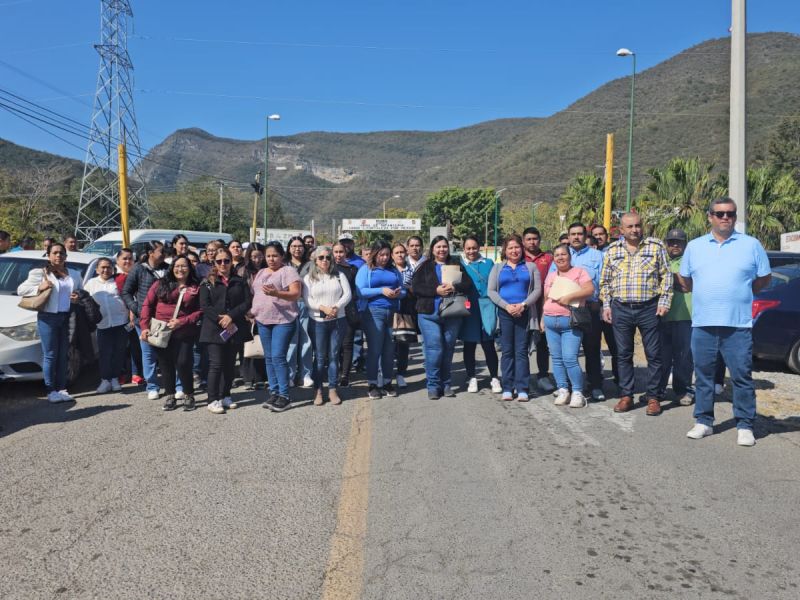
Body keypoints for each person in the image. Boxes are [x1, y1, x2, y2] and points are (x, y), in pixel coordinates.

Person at [680, 198, 771, 447]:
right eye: (719, 213)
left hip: (738, 325)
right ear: (710, 216)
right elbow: (685, 280)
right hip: (703, 324)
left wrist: (743, 291)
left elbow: (764, 278)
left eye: (730, 213)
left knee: (742, 376)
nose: (725, 218)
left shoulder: (751, 245)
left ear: (735, 216)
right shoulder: (695, 246)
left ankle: (745, 425)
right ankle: (704, 421)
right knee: (704, 376)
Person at [600, 212, 672, 415]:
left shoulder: (655, 246)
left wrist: (664, 301)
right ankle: (626, 395)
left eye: (637, 225)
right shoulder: (612, 250)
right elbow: (605, 281)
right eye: (629, 226)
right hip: (621, 308)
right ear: (621, 229)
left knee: (654, 354)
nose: (634, 230)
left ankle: (653, 397)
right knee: (623, 354)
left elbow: (666, 276)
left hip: (649, 308)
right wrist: (607, 306)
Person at [17, 243, 82, 403]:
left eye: (61, 253)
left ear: (66, 256)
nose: (58, 255)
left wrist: (77, 297)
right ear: (48, 255)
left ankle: (62, 389)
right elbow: (21, 290)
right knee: (51, 355)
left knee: (63, 354)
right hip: (48, 317)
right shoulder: (40, 272)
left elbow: (81, 291)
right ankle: (50, 390)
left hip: (66, 317)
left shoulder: (74, 274)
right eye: (55, 253)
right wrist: (40, 287)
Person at [412, 236, 473, 400]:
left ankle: (446, 384)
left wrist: (455, 286)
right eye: (438, 247)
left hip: (452, 313)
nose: (442, 249)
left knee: (448, 349)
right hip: (429, 314)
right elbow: (416, 288)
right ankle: (433, 385)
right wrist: (435, 290)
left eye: (444, 246)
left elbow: (468, 284)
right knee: (434, 349)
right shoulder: (424, 266)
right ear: (432, 249)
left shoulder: (456, 264)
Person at [552, 223, 607, 401]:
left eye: (579, 234)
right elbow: (552, 281)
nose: (576, 237)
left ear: (586, 235)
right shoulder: (561, 254)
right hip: (565, 309)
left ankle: (595, 385)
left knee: (592, 348)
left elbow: (605, 281)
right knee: (568, 352)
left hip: (589, 308)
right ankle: (566, 386)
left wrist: (601, 303)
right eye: (573, 234)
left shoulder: (597, 256)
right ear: (568, 236)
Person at [140, 257, 202, 411]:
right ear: (172, 268)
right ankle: (170, 396)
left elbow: (201, 310)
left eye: (184, 266)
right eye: (177, 266)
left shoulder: (196, 286)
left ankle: (189, 394)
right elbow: (147, 305)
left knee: (183, 363)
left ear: (190, 268)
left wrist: (183, 321)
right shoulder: (160, 283)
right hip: (161, 331)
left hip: (185, 331)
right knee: (165, 364)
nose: (180, 269)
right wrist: (144, 327)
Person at [488, 235, 542, 401]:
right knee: (507, 351)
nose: (514, 250)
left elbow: (537, 290)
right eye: (510, 248)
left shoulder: (531, 267)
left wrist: (523, 305)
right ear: (505, 250)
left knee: (521, 351)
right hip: (505, 313)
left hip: (524, 313)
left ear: (522, 249)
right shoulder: (497, 268)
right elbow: (491, 291)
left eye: (517, 247)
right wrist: (507, 306)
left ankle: (522, 388)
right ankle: (507, 387)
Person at [250, 241, 302, 413]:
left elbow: (295, 294)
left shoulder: (288, 271)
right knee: (269, 357)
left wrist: (276, 293)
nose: (271, 259)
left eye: (275, 256)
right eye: (268, 256)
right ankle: (274, 392)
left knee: (278, 357)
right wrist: (252, 311)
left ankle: (285, 396)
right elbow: (257, 294)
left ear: (282, 256)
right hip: (262, 320)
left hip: (283, 320)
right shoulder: (261, 272)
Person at [541, 244, 595, 408]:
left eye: (563, 254)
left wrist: (570, 297)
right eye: (557, 255)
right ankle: (563, 389)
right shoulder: (551, 275)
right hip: (550, 321)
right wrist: (542, 318)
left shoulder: (579, 272)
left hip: (570, 322)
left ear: (569, 256)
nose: (560, 257)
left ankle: (577, 392)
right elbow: (546, 297)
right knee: (556, 358)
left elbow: (589, 290)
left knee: (570, 358)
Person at [199, 247, 252, 415]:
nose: (223, 264)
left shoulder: (239, 281)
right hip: (214, 329)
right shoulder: (207, 282)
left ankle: (226, 395)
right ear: (214, 263)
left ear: (231, 262)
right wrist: (221, 320)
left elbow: (247, 302)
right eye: (219, 261)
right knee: (216, 364)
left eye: (226, 261)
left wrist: (231, 316)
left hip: (234, 327)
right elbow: (205, 306)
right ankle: (212, 399)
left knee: (229, 365)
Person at [357, 240, 406, 399]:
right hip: (373, 312)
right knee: (375, 349)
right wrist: (381, 290)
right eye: (381, 255)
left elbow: (404, 291)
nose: (384, 258)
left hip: (392, 312)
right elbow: (360, 291)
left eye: (387, 254)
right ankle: (372, 384)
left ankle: (387, 382)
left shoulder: (393, 270)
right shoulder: (366, 269)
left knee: (389, 350)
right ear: (374, 254)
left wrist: (398, 293)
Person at [304, 246, 352, 406]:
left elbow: (347, 294)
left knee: (333, 356)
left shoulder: (339, 275)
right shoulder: (309, 278)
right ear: (315, 260)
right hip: (317, 322)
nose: (325, 260)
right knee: (319, 357)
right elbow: (307, 299)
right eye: (321, 257)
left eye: (328, 257)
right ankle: (318, 390)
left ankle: (332, 389)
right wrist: (323, 308)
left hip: (338, 320)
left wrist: (336, 307)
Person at [122, 241, 168, 400]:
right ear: (150, 253)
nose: (164, 254)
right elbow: (126, 292)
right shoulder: (138, 269)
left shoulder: (168, 269)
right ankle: (152, 386)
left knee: (166, 352)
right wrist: (136, 309)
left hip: (164, 318)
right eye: (161, 251)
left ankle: (172, 384)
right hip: (144, 319)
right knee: (148, 353)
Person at [657, 229, 694, 406]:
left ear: (685, 244)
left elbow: (687, 286)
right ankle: (658, 391)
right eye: (671, 242)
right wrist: (674, 280)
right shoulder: (661, 259)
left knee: (683, 357)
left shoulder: (690, 261)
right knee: (661, 357)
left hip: (684, 316)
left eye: (678, 242)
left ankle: (683, 390)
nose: (675, 245)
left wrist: (666, 277)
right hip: (661, 316)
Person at [460, 236, 501, 393]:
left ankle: (494, 377)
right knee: (469, 344)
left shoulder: (488, 263)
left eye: (474, 247)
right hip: (468, 308)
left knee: (488, 344)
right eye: (468, 248)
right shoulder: (460, 264)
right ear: (464, 249)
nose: (471, 251)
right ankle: (471, 377)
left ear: (479, 248)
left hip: (486, 306)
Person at [85, 257, 129, 393]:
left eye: (108, 267)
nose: (106, 270)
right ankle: (105, 380)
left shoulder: (118, 281)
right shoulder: (91, 283)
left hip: (121, 322)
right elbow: (85, 300)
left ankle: (115, 378)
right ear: (97, 269)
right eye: (102, 267)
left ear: (113, 268)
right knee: (105, 353)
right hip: (102, 324)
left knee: (119, 352)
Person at [523, 226, 555, 393]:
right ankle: (524, 377)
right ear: (523, 241)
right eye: (528, 239)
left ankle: (543, 376)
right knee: (522, 344)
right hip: (524, 307)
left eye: (535, 239)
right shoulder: (518, 257)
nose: (532, 242)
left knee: (543, 343)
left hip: (543, 307)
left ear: (539, 240)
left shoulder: (548, 258)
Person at [590, 224, 619, 386]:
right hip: (593, 306)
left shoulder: (614, 252)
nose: (598, 237)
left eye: (601, 234)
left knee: (615, 345)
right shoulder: (589, 254)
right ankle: (596, 380)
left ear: (606, 236)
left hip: (611, 305)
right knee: (593, 346)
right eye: (595, 234)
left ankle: (620, 379)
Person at [237, 243, 267, 390]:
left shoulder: (268, 270)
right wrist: (247, 312)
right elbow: (239, 294)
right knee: (247, 344)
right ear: (248, 256)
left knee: (261, 344)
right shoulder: (242, 271)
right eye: (254, 256)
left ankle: (261, 377)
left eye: (260, 256)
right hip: (246, 311)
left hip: (264, 312)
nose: (257, 260)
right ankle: (247, 377)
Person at [286, 235, 314, 387]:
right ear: (289, 248)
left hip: (305, 304)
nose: (297, 249)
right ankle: (289, 375)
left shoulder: (311, 265)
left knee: (306, 341)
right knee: (290, 341)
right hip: (287, 305)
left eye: (300, 246)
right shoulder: (284, 265)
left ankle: (306, 374)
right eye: (294, 246)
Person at [113, 248, 142, 385]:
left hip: (134, 316)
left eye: (130, 258)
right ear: (117, 260)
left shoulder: (138, 275)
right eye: (124, 258)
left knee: (135, 346)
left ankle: (136, 373)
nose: (127, 261)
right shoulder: (113, 277)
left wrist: (133, 311)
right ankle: (122, 373)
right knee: (120, 348)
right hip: (118, 317)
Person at [333, 242, 359, 387]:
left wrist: (345, 301)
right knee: (334, 344)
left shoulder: (352, 269)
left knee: (347, 343)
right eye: (336, 252)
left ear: (346, 252)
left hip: (348, 310)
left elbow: (356, 290)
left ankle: (345, 375)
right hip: (331, 310)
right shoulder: (328, 268)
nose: (338, 255)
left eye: (341, 252)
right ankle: (335, 372)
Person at [391, 242, 415, 388]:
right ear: (392, 255)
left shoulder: (412, 270)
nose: (400, 255)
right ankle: (386, 374)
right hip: (390, 310)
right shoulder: (388, 270)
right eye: (397, 252)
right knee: (389, 344)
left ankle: (401, 374)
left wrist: (410, 288)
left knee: (403, 343)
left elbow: (418, 288)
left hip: (406, 310)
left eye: (402, 252)